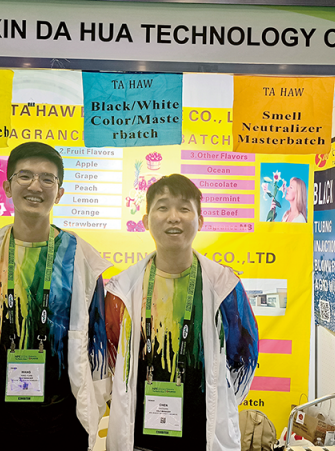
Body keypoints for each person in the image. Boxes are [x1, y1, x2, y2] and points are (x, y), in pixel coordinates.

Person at [0, 142, 111, 451]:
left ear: (59, 193)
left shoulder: (82, 258)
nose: (35, 186)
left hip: (60, 418)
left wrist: (94, 407)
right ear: (7, 187)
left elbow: (96, 344)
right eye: (25, 176)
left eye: (47, 179)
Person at [105, 174, 259, 451]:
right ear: (145, 221)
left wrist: (218, 402)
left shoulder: (225, 286)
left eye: (184, 208)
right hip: (138, 439)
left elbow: (243, 359)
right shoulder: (121, 290)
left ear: (200, 221)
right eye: (163, 207)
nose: (173, 217)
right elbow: (110, 359)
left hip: (202, 437)